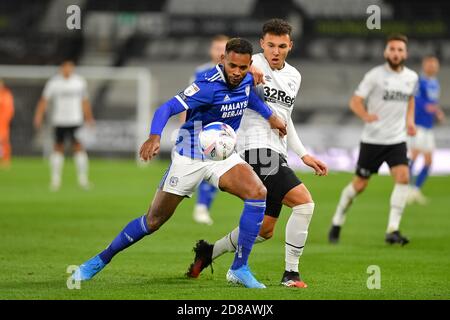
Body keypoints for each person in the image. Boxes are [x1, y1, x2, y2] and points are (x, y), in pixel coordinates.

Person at [72, 38, 288, 289]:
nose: (237, 73)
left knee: (257, 192)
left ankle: (240, 268)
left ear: (249, 64)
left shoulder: (248, 79)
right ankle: (100, 259)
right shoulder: (206, 86)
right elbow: (167, 108)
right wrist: (155, 136)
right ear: (222, 60)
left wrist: (271, 116)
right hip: (189, 156)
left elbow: (249, 99)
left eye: (242, 67)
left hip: (222, 156)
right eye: (232, 66)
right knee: (153, 221)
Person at [186, 19, 328, 288]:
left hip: (278, 151)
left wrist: (304, 155)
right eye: (271, 45)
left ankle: (208, 252)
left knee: (264, 230)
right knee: (304, 203)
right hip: (252, 149)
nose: (276, 51)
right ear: (262, 44)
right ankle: (291, 274)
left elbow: (286, 118)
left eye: (282, 46)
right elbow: (223, 70)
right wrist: (249, 68)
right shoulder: (249, 66)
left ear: (290, 46)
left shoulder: (294, 76)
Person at [328, 34, 419, 246]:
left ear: (405, 53)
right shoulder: (375, 75)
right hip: (373, 140)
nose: (396, 53)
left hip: (397, 139)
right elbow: (355, 101)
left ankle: (392, 230)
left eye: (400, 50)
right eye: (392, 49)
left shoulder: (412, 77)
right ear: (386, 52)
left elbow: (411, 100)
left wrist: (410, 121)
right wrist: (365, 115)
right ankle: (338, 219)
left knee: (403, 177)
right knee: (359, 185)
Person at [33, 60, 94, 191]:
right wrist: (38, 115)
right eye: (65, 67)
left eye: (70, 67)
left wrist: (89, 117)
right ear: (61, 68)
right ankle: (55, 180)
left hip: (75, 121)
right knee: (58, 148)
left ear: (72, 68)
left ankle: (83, 179)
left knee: (78, 148)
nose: (67, 69)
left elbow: (85, 101)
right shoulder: (54, 83)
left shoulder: (79, 82)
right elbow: (44, 100)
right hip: (59, 121)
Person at [189, 35, 230, 226]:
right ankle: (201, 207)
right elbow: (187, 103)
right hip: (202, 129)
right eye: (217, 48)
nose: (220, 52)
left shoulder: (237, 74)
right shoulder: (200, 73)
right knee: (207, 167)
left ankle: (202, 207)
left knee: (217, 167)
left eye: (224, 48)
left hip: (228, 131)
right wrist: (184, 129)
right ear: (210, 51)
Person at [407, 55, 445, 205]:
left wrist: (437, 112)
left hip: (429, 127)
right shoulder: (419, 81)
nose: (433, 67)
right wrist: (428, 108)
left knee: (429, 161)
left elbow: (432, 103)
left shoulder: (435, 83)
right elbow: (416, 100)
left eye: (435, 65)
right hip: (418, 125)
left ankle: (416, 190)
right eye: (430, 64)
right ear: (424, 66)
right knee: (414, 156)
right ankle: (407, 189)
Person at [0, 79, 14, 168]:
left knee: (4, 140)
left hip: (3, 122)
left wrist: (5, 120)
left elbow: (9, 110)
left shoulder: (7, 95)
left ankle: (6, 159)